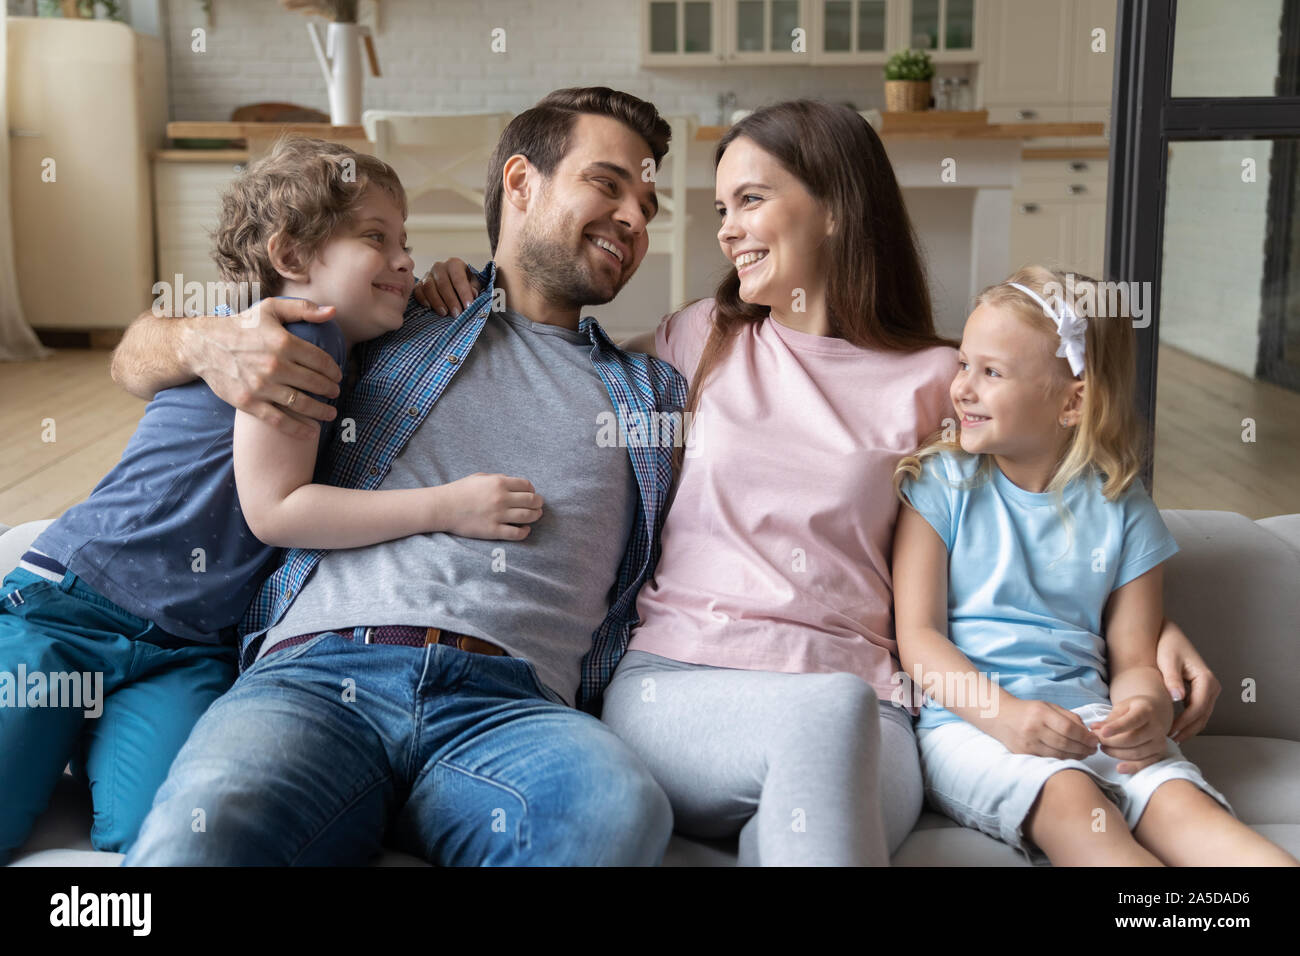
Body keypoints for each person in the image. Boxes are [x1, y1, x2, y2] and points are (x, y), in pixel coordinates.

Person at [421, 101, 1222, 866]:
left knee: (822, 762)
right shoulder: (699, 341)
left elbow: (1053, 497)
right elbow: (544, 352)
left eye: (751, 199)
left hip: (871, 709)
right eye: (721, 207)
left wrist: (1147, 621)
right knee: (828, 711)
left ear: (836, 208)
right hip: (685, 689)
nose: (727, 228)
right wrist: (458, 289)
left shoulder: (939, 383)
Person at [116, 88, 684, 866]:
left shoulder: (652, 392)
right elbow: (134, 353)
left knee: (617, 816)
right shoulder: (392, 313)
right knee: (198, 836)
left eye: (649, 207)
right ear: (520, 183)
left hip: (513, 713)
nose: (633, 219)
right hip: (315, 677)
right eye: (609, 184)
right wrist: (208, 341)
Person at [0, 136, 505, 861]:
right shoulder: (301, 332)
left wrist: (432, 284)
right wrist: (448, 506)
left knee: (157, 827)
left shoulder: (347, 342)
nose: (404, 258)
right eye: (375, 238)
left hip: (186, 645)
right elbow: (278, 510)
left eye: (407, 242)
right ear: (292, 257)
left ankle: (77, 726)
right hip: (73, 603)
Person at [891, 265, 1297, 866]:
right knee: (1075, 803)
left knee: (1187, 810)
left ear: (1072, 401)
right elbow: (919, 639)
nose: (963, 388)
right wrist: (1006, 717)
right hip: (972, 725)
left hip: (1089, 718)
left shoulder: (1120, 503)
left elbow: (1134, 658)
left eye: (992, 372)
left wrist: (1148, 709)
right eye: (963, 364)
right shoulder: (939, 484)